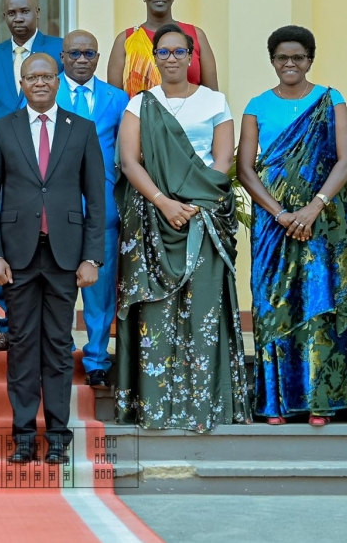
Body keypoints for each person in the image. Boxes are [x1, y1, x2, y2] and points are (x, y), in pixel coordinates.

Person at [112, 25, 249, 432]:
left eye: (179, 51)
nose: (171, 58)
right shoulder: (141, 104)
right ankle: (153, 408)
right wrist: (164, 202)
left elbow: (224, 160)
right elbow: (130, 162)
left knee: (203, 309)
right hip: (153, 219)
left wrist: (193, 202)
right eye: (164, 52)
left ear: (192, 57)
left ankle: (205, 407)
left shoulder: (215, 102)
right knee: (155, 313)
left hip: (204, 216)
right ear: (154, 58)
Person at [0, 53, 105, 465]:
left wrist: (93, 258)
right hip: (17, 257)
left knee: (59, 344)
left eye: (47, 76)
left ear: (58, 80)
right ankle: (23, 437)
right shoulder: (1, 129)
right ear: (22, 81)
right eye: (32, 77)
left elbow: (97, 201)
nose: (40, 83)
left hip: (66, 256)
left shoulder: (81, 129)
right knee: (21, 345)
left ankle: (59, 436)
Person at [236, 25, 347, 427]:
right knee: (274, 307)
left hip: (323, 223)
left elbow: (345, 160)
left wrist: (313, 208)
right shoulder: (256, 106)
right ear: (272, 61)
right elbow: (245, 169)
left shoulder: (330, 99)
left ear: (310, 60)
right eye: (282, 58)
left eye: (298, 58)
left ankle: (321, 402)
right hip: (273, 226)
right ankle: (276, 404)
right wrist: (281, 213)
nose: (290, 64)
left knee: (318, 305)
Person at [0, 0, 63, 351]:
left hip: (46, 161)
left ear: (37, 12)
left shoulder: (57, 49)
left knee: (46, 238)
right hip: (3, 162)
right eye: (12, 13)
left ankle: (44, 324)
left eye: (25, 11)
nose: (19, 18)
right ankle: (9, 325)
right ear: (4, 17)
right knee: (4, 238)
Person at [54, 30, 129, 388]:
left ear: (98, 58)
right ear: (62, 57)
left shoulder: (118, 99)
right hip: (58, 207)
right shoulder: (46, 96)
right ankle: (62, 354)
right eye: (74, 53)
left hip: (104, 209)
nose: (82, 59)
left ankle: (97, 358)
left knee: (99, 289)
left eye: (89, 53)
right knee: (60, 286)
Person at [106, 0, 218, 97]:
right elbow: (114, 102)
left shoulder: (196, 35)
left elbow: (212, 97)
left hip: (192, 116)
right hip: (140, 117)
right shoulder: (126, 40)